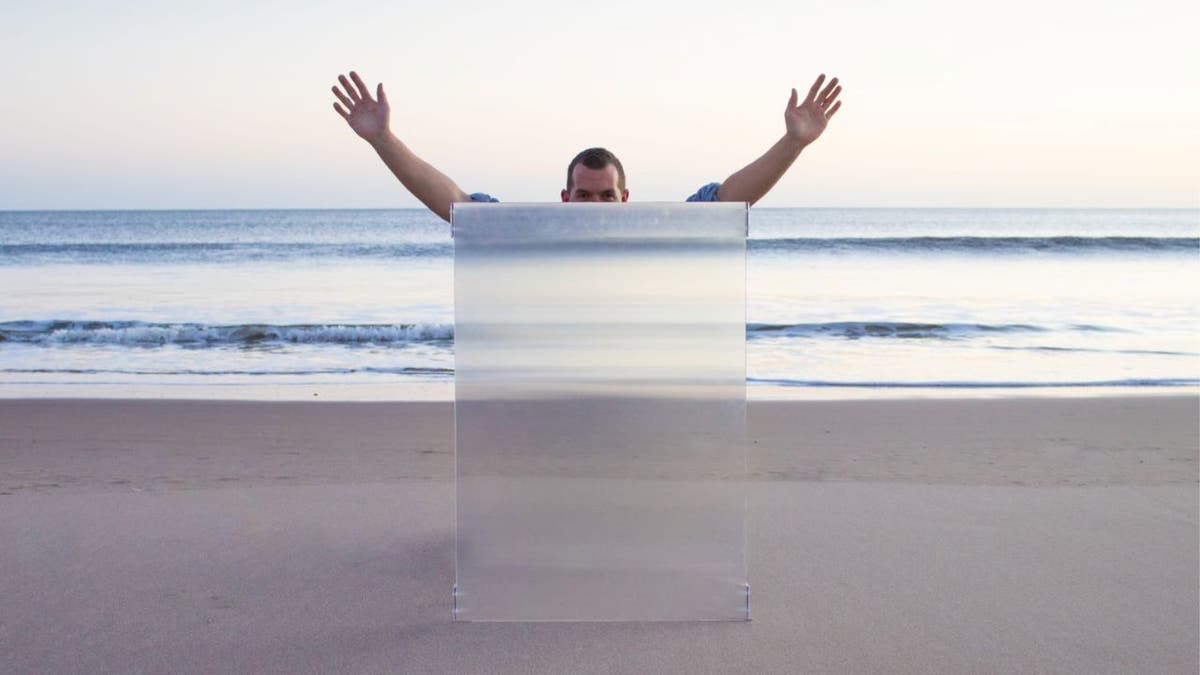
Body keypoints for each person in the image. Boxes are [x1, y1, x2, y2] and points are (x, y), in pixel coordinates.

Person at [331, 71, 842, 223]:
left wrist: (793, 144)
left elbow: (728, 201)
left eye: (603, 196)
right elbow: (458, 207)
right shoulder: (540, 233)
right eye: (584, 194)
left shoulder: (652, 233)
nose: (593, 204)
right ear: (565, 197)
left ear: (624, 198)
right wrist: (383, 140)